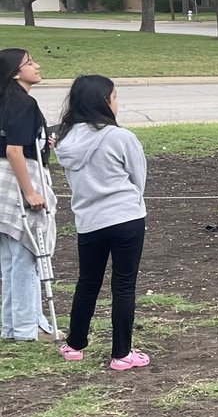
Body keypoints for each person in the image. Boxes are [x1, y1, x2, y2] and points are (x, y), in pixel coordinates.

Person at [53, 75, 150, 369]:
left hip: (89, 220)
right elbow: (138, 178)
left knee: (88, 281)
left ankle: (75, 344)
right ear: (104, 101)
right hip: (125, 218)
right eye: (115, 97)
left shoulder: (66, 140)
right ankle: (121, 353)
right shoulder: (121, 137)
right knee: (123, 285)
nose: (117, 103)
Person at [0, 48, 58, 344]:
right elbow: (14, 150)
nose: (37, 66)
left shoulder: (7, 101)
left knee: (10, 257)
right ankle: (27, 327)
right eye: (30, 63)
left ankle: (12, 326)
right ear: (15, 73)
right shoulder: (23, 103)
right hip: (17, 180)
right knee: (28, 254)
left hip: (3, 182)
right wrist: (31, 191)